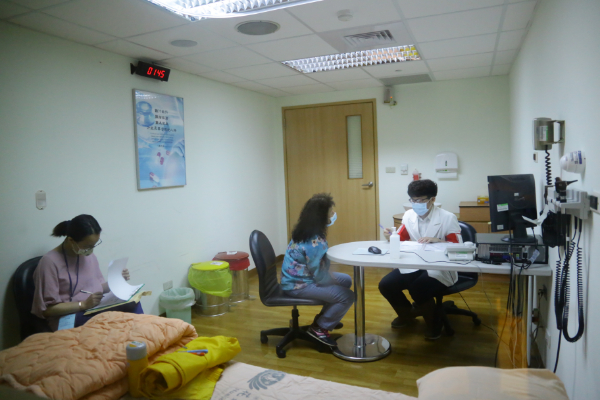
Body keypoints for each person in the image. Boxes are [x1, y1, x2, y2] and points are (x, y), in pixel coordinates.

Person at [379, 179, 462, 340]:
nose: (416, 204)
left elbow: (458, 246)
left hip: (439, 266)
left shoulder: (447, 217)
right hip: (415, 263)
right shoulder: (409, 215)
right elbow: (401, 237)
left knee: (418, 288)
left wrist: (438, 240)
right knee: (386, 285)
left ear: (433, 199)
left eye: (421, 200)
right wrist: (390, 235)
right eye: (413, 200)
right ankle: (407, 315)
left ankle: (434, 324)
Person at [32, 214, 142, 331]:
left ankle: (143, 334)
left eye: (93, 245)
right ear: (71, 240)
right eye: (87, 246)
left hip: (93, 308)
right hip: (67, 317)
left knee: (133, 303)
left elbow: (95, 288)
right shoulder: (49, 262)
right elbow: (47, 310)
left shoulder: (87, 255)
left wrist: (116, 280)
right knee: (112, 320)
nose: (90, 250)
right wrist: (83, 305)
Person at [280, 193, 354, 347]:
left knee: (346, 280)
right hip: (298, 285)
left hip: (298, 277)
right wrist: (330, 280)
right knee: (347, 296)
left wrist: (330, 278)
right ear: (321, 217)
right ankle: (319, 328)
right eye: (331, 213)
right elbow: (319, 274)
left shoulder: (304, 230)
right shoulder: (314, 241)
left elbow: (316, 268)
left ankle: (325, 318)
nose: (333, 215)